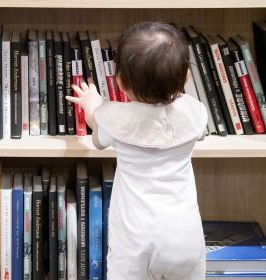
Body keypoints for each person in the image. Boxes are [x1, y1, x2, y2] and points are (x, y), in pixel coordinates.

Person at [66, 22, 207, 280]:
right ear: (187, 77)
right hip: (185, 237)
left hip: (134, 239)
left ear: (119, 81)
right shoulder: (195, 112)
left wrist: (93, 104)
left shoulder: (117, 118)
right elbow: (197, 130)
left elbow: (98, 135)